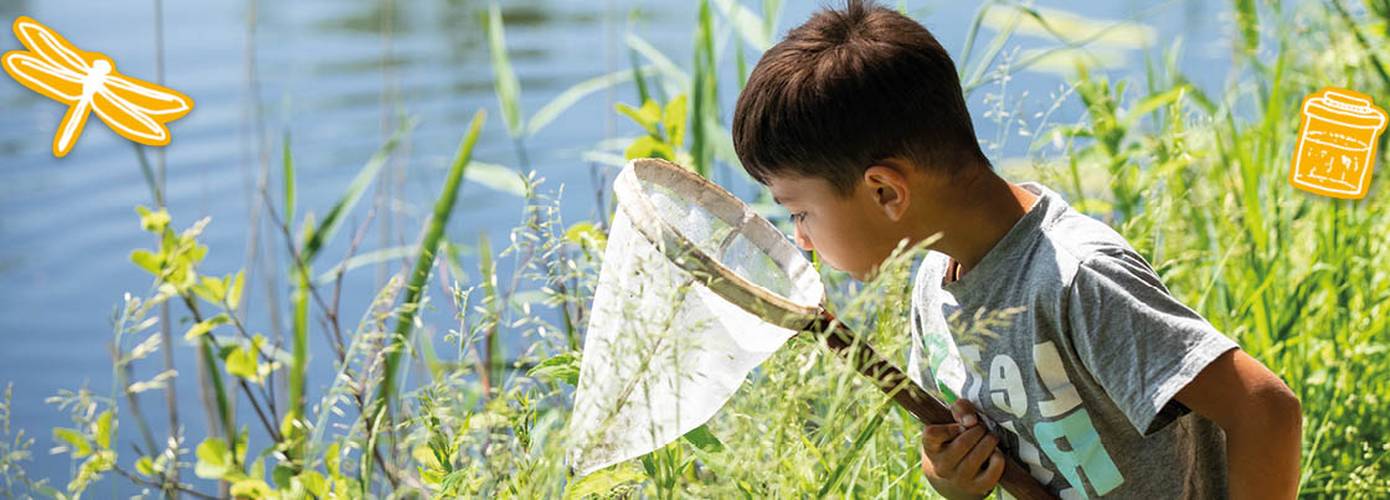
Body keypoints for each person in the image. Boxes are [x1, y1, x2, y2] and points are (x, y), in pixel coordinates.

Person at [729, 1, 1302, 498]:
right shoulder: (935, 282)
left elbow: (1265, 410)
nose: (800, 236)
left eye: (799, 210)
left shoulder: (1076, 278)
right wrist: (951, 476)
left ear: (885, 190)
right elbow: (962, 443)